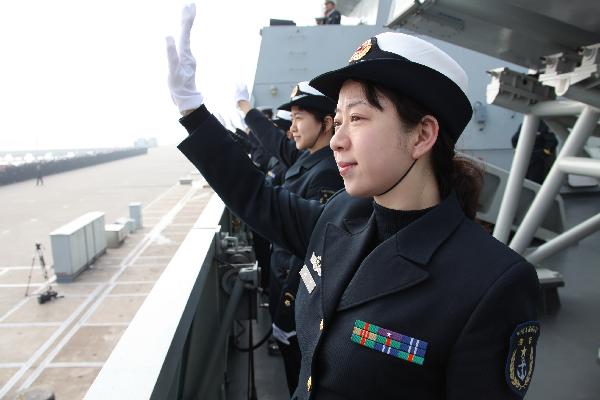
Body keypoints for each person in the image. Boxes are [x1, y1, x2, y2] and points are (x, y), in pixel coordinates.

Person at [167, 5, 539, 399]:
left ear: (422, 135)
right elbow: (259, 198)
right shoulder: (341, 214)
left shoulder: (491, 284)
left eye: (358, 119)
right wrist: (192, 111)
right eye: (338, 121)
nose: (337, 141)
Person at [235, 81, 344, 394]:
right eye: (291, 119)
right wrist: (243, 111)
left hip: (297, 301)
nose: (292, 129)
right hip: (283, 282)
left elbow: (312, 254)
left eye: (299, 119)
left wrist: (287, 308)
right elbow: (270, 140)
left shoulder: (326, 172)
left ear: (325, 124)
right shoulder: (307, 158)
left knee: (301, 377)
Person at [511, 120, 558, 184]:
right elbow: (515, 139)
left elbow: (552, 142)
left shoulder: (545, 125)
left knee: (534, 182)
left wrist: (542, 153)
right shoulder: (525, 124)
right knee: (522, 182)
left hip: (537, 160)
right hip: (524, 158)